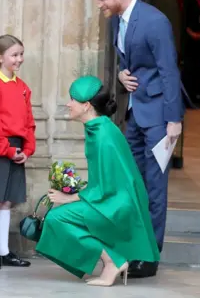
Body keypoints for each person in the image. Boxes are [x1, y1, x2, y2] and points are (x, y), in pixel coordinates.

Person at [89, 0, 185, 278]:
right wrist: (121, 73)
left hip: (157, 118)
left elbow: (169, 70)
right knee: (131, 184)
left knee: (155, 188)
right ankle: (133, 247)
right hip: (135, 113)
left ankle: (150, 256)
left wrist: (174, 119)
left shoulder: (155, 21)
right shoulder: (118, 20)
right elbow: (127, 59)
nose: (100, 4)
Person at [36, 76, 160, 287]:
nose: (68, 104)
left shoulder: (102, 136)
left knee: (57, 219)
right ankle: (112, 260)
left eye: (72, 99)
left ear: (86, 106)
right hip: (115, 201)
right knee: (61, 217)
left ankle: (112, 261)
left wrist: (70, 198)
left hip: (117, 206)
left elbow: (107, 187)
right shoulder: (100, 128)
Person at [0, 34, 36, 269]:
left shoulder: (22, 88)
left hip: (18, 148)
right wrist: (7, 150)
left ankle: (5, 250)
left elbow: (29, 122)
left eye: (21, 54)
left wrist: (28, 149)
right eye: (14, 55)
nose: (19, 59)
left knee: (8, 201)